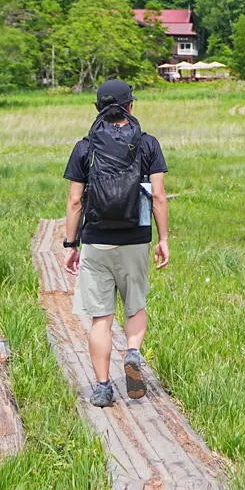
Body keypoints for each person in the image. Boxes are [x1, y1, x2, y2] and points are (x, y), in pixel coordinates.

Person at [61, 79, 170, 407]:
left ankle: (103, 387)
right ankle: (133, 352)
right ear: (130, 107)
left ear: (98, 109)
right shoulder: (148, 144)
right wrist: (163, 239)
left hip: (97, 241)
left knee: (101, 318)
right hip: (136, 238)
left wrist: (71, 244)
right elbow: (159, 197)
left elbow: (74, 202)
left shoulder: (85, 147)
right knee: (135, 305)